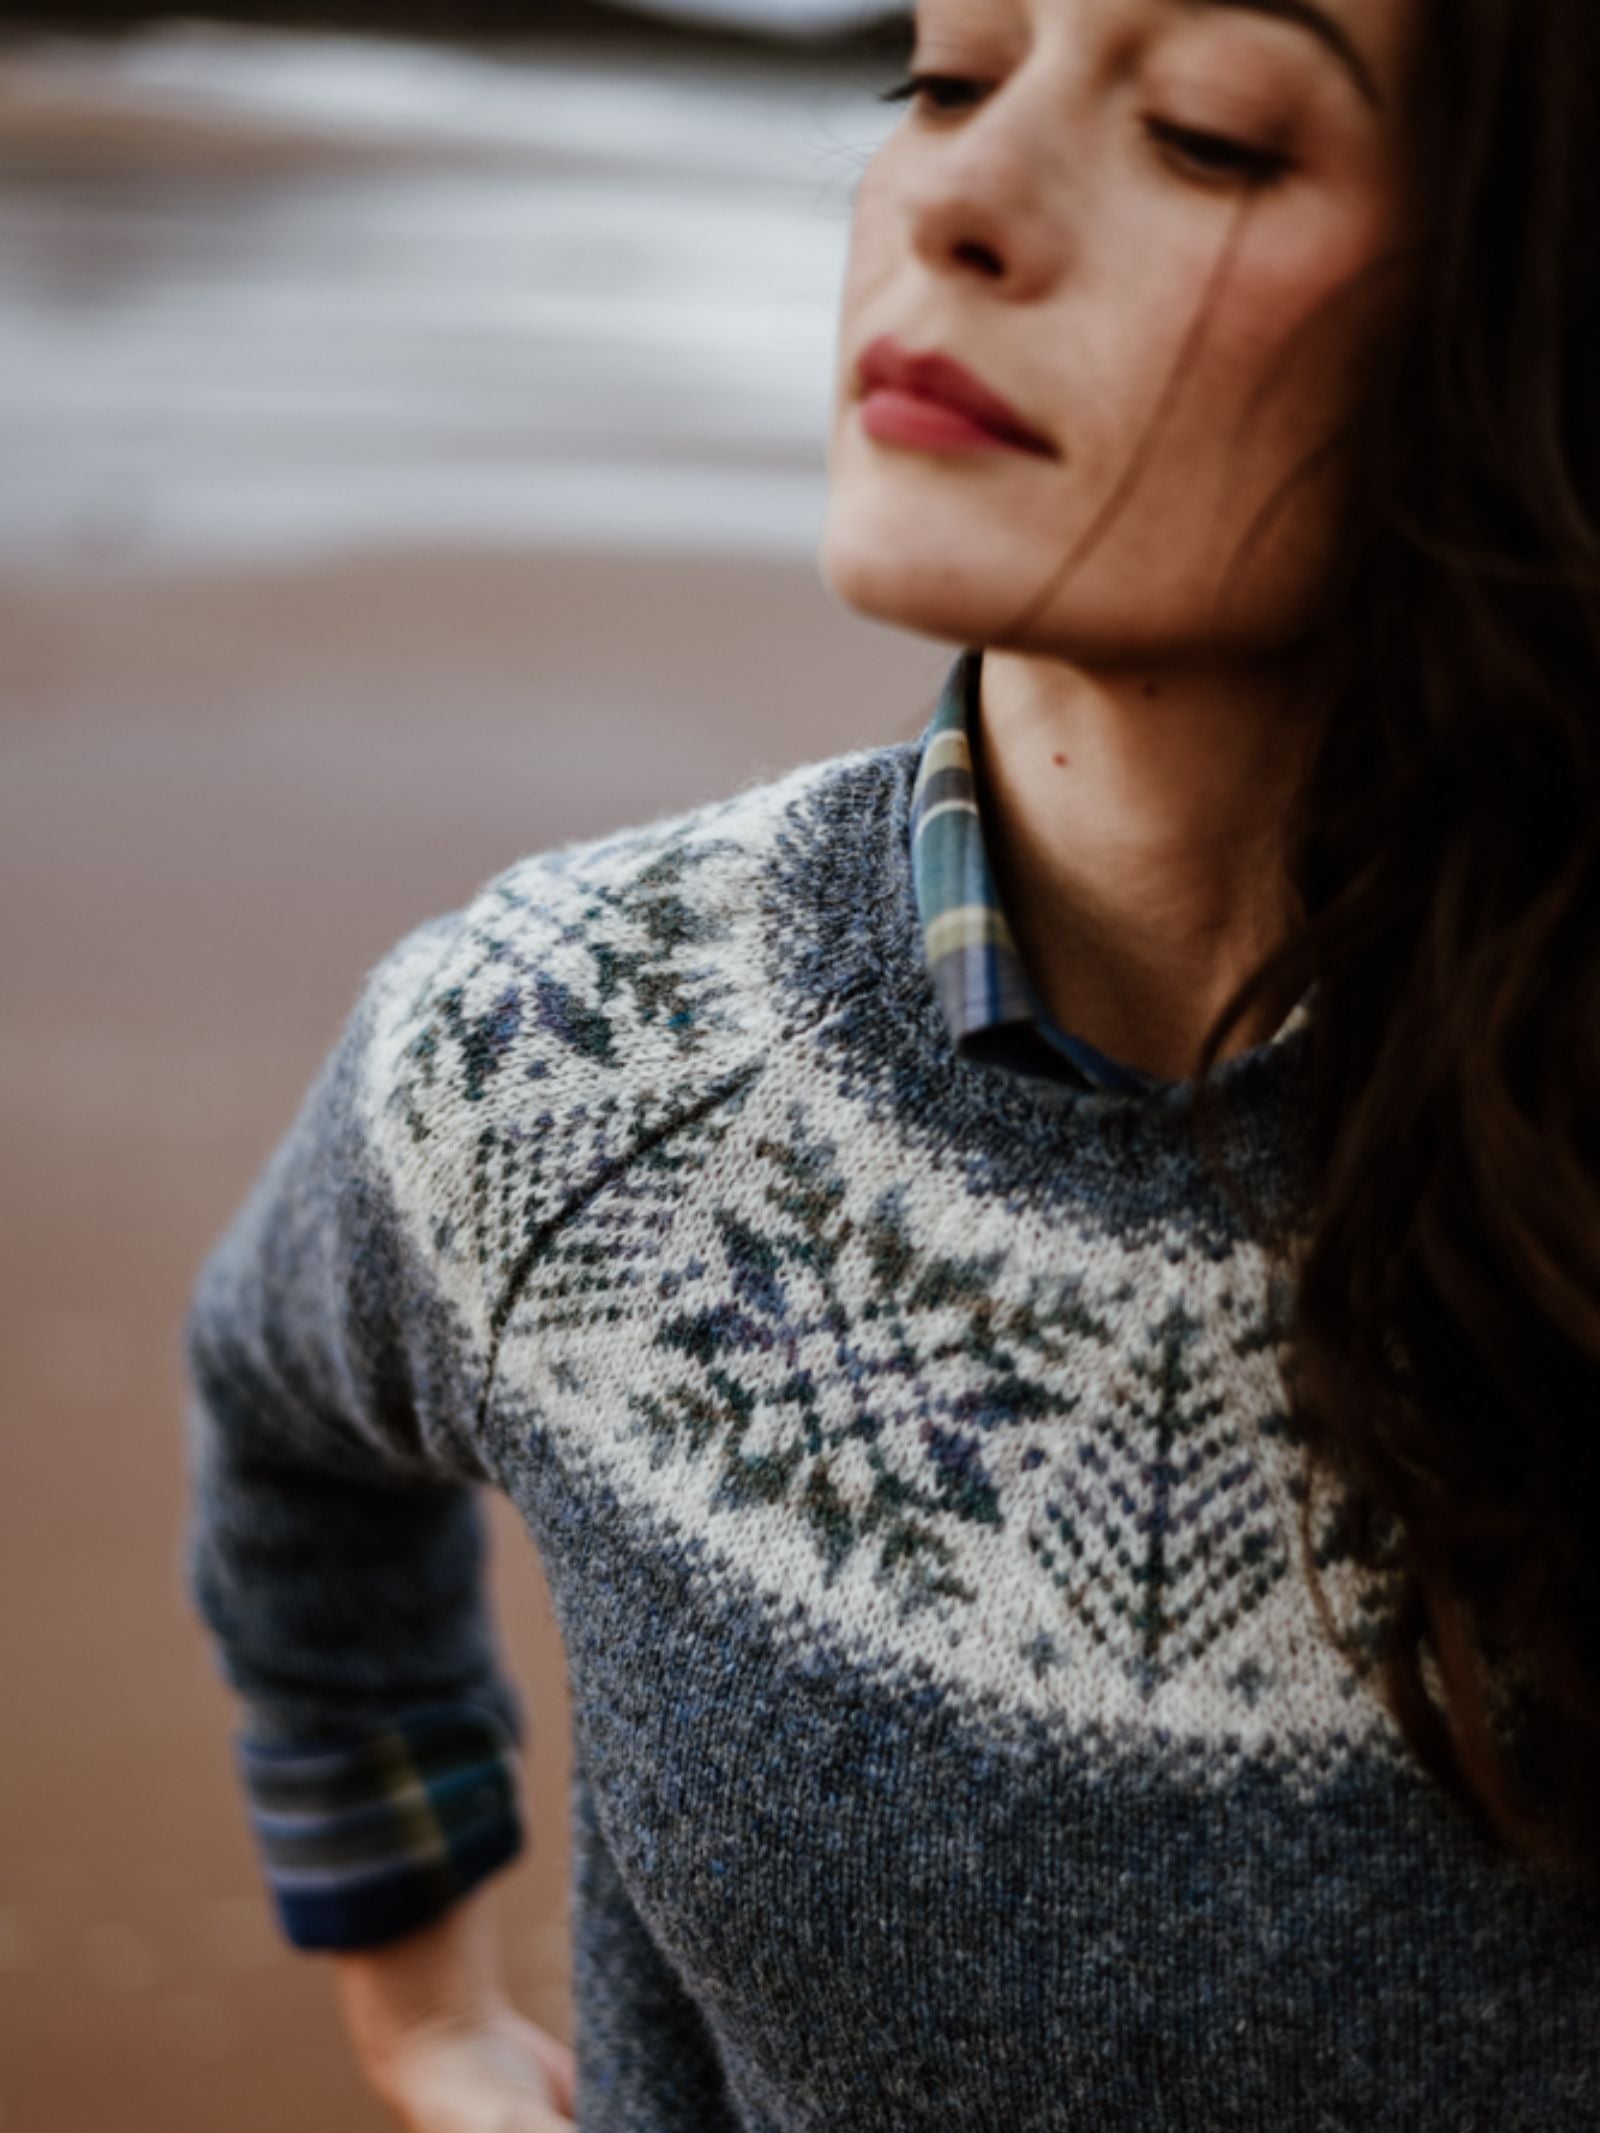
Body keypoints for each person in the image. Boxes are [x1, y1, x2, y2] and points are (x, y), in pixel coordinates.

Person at [181, 0, 1600, 2123]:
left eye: (1207, 133)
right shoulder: (571, 1051)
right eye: (942, 74)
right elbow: (286, 1418)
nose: (953, 193)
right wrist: (427, 2012)